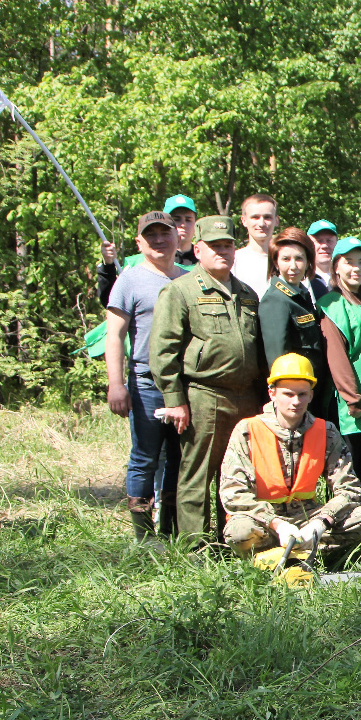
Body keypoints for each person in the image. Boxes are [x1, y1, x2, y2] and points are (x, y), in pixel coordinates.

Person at [150, 215, 267, 544]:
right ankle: (197, 549)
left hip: (247, 397)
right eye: (215, 246)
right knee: (197, 475)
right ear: (197, 249)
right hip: (205, 395)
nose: (223, 251)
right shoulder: (180, 291)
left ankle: (237, 542)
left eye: (228, 245)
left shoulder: (246, 293)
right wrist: (174, 400)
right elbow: (163, 351)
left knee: (240, 475)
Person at [218, 353, 361, 566]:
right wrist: (275, 523)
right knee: (240, 532)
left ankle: (302, 551)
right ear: (272, 393)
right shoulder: (247, 430)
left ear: (311, 395)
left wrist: (321, 522)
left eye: (302, 394)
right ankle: (275, 555)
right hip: (263, 521)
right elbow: (233, 493)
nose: (296, 402)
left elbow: (349, 489)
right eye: (288, 394)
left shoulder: (325, 431)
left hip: (308, 517)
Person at [105, 211, 186, 541]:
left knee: (178, 459)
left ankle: (170, 532)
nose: (158, 240)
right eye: (150, 235)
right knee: (144, 458)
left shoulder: (188, 279)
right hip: (145, 382)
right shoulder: (129, 279)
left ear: (178, 237)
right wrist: (115, 384)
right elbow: (114, 335)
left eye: (164, 233)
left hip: (184, 385)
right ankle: (144, 537)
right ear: (139, 242)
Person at [318, 238, 361, 510]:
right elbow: (337, 356)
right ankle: (351, 513)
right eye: (349, 262)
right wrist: (352, 397)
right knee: (351, 459)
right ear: (336, 267)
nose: (356, 268)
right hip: (350, 398)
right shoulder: (331, 304)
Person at [258, 227, 334, 421]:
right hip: (295, 399)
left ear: (309, 261)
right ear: (276, 262)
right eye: (285, 259)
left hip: (311, 392)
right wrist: (292, 398)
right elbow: (278, 359)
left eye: (299, 258)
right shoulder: (276, 300)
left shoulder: (302, 295)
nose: (293, 266)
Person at [97, 194, 198, 305]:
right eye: (176, 219)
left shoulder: (205, 262)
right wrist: (108, 266)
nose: (183, 224)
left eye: (188, 220)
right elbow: (111, 301)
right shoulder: (133, 263)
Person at [231, 194, 279, 298]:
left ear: (276, 220)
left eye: (267, 217)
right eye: (255, 217)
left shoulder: (287, 260)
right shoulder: (233, 259)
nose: (261, 223)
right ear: (244, 220)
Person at [306, 220, 338, 299]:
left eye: (329, 241)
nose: (324, 246)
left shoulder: (345, 276)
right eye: (319, 241)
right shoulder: (302, 277)